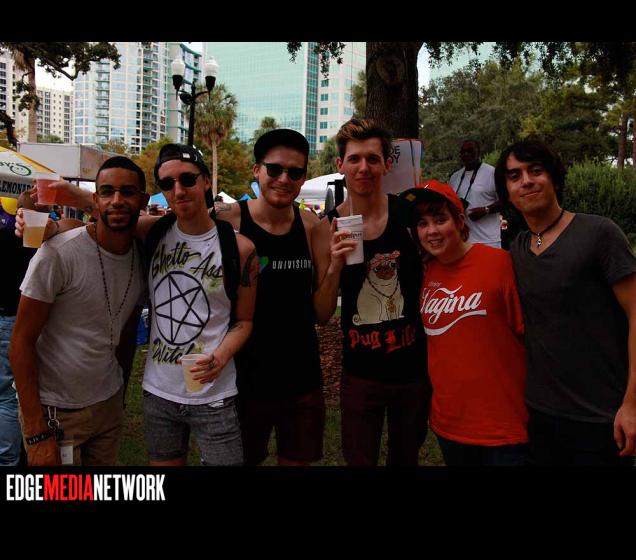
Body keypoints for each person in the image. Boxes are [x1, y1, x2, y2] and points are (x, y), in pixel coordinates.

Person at [16, 145, 258, 467]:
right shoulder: (153, 232)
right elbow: (111, 216)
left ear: (206, 181)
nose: (178, 190)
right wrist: (56, 226)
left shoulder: (239, 249)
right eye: (167, 183)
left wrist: (221, 355)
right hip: (157, 393)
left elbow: (245, 320)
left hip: (213, 393)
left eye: (187, 179)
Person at [494, 140, 636, 466]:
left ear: (554, 179)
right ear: (507, 193)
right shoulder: (517, 249)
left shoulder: (599, 234)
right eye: (514, 176)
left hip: (601, 417)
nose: (526, 181)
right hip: (539, 415)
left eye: (536, 170)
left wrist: (632, 404)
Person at [9, 157, 149, 466]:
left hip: (107, 405)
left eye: (127, 192)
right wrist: (35, 431)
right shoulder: (58, 253)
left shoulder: (142, 258)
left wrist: (120, 396)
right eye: (107, 192)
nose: (117, 200)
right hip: (56, 411)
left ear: (143, 201)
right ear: (95, 200)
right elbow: (21, 342)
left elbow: (126, 335)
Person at [312, 118, 430, 466]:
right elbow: (321, 314)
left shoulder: (410, 216)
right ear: (340, 165)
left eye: (372, 159)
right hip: (360, 374)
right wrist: (334, 265)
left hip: (412, 371)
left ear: (387, 165)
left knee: (405, 458)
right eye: (354, 159)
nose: (363, 167)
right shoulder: (326, 227)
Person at [395, 180, 528, 466]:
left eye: (440, 219)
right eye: (422, 224)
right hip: (449, 425)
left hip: (503, 428)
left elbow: (528, 336)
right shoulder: (427, 273)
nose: (431, 231)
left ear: (458, 221)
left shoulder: (500, 264)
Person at [214, 129, 324, 466]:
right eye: (274, 169)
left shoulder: (311, 225)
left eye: (295, 172)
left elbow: (322, 310)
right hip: (243, 378)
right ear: (256, 170)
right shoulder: (227, 219)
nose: (284, 179)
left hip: (302, 376)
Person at [0, 195, 35, 466]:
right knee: (9, 396)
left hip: (9, 318)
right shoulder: (31, 238)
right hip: (16, 319)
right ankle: (8, 459)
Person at [448, 140, 503, 248]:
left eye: (470, 151)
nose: (466, 154)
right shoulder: (455, 177)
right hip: (463, 242)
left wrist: (486, 210)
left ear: (478, 152)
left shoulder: (492, 173)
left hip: (488, 242)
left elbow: (507, 201)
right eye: (463, 152)